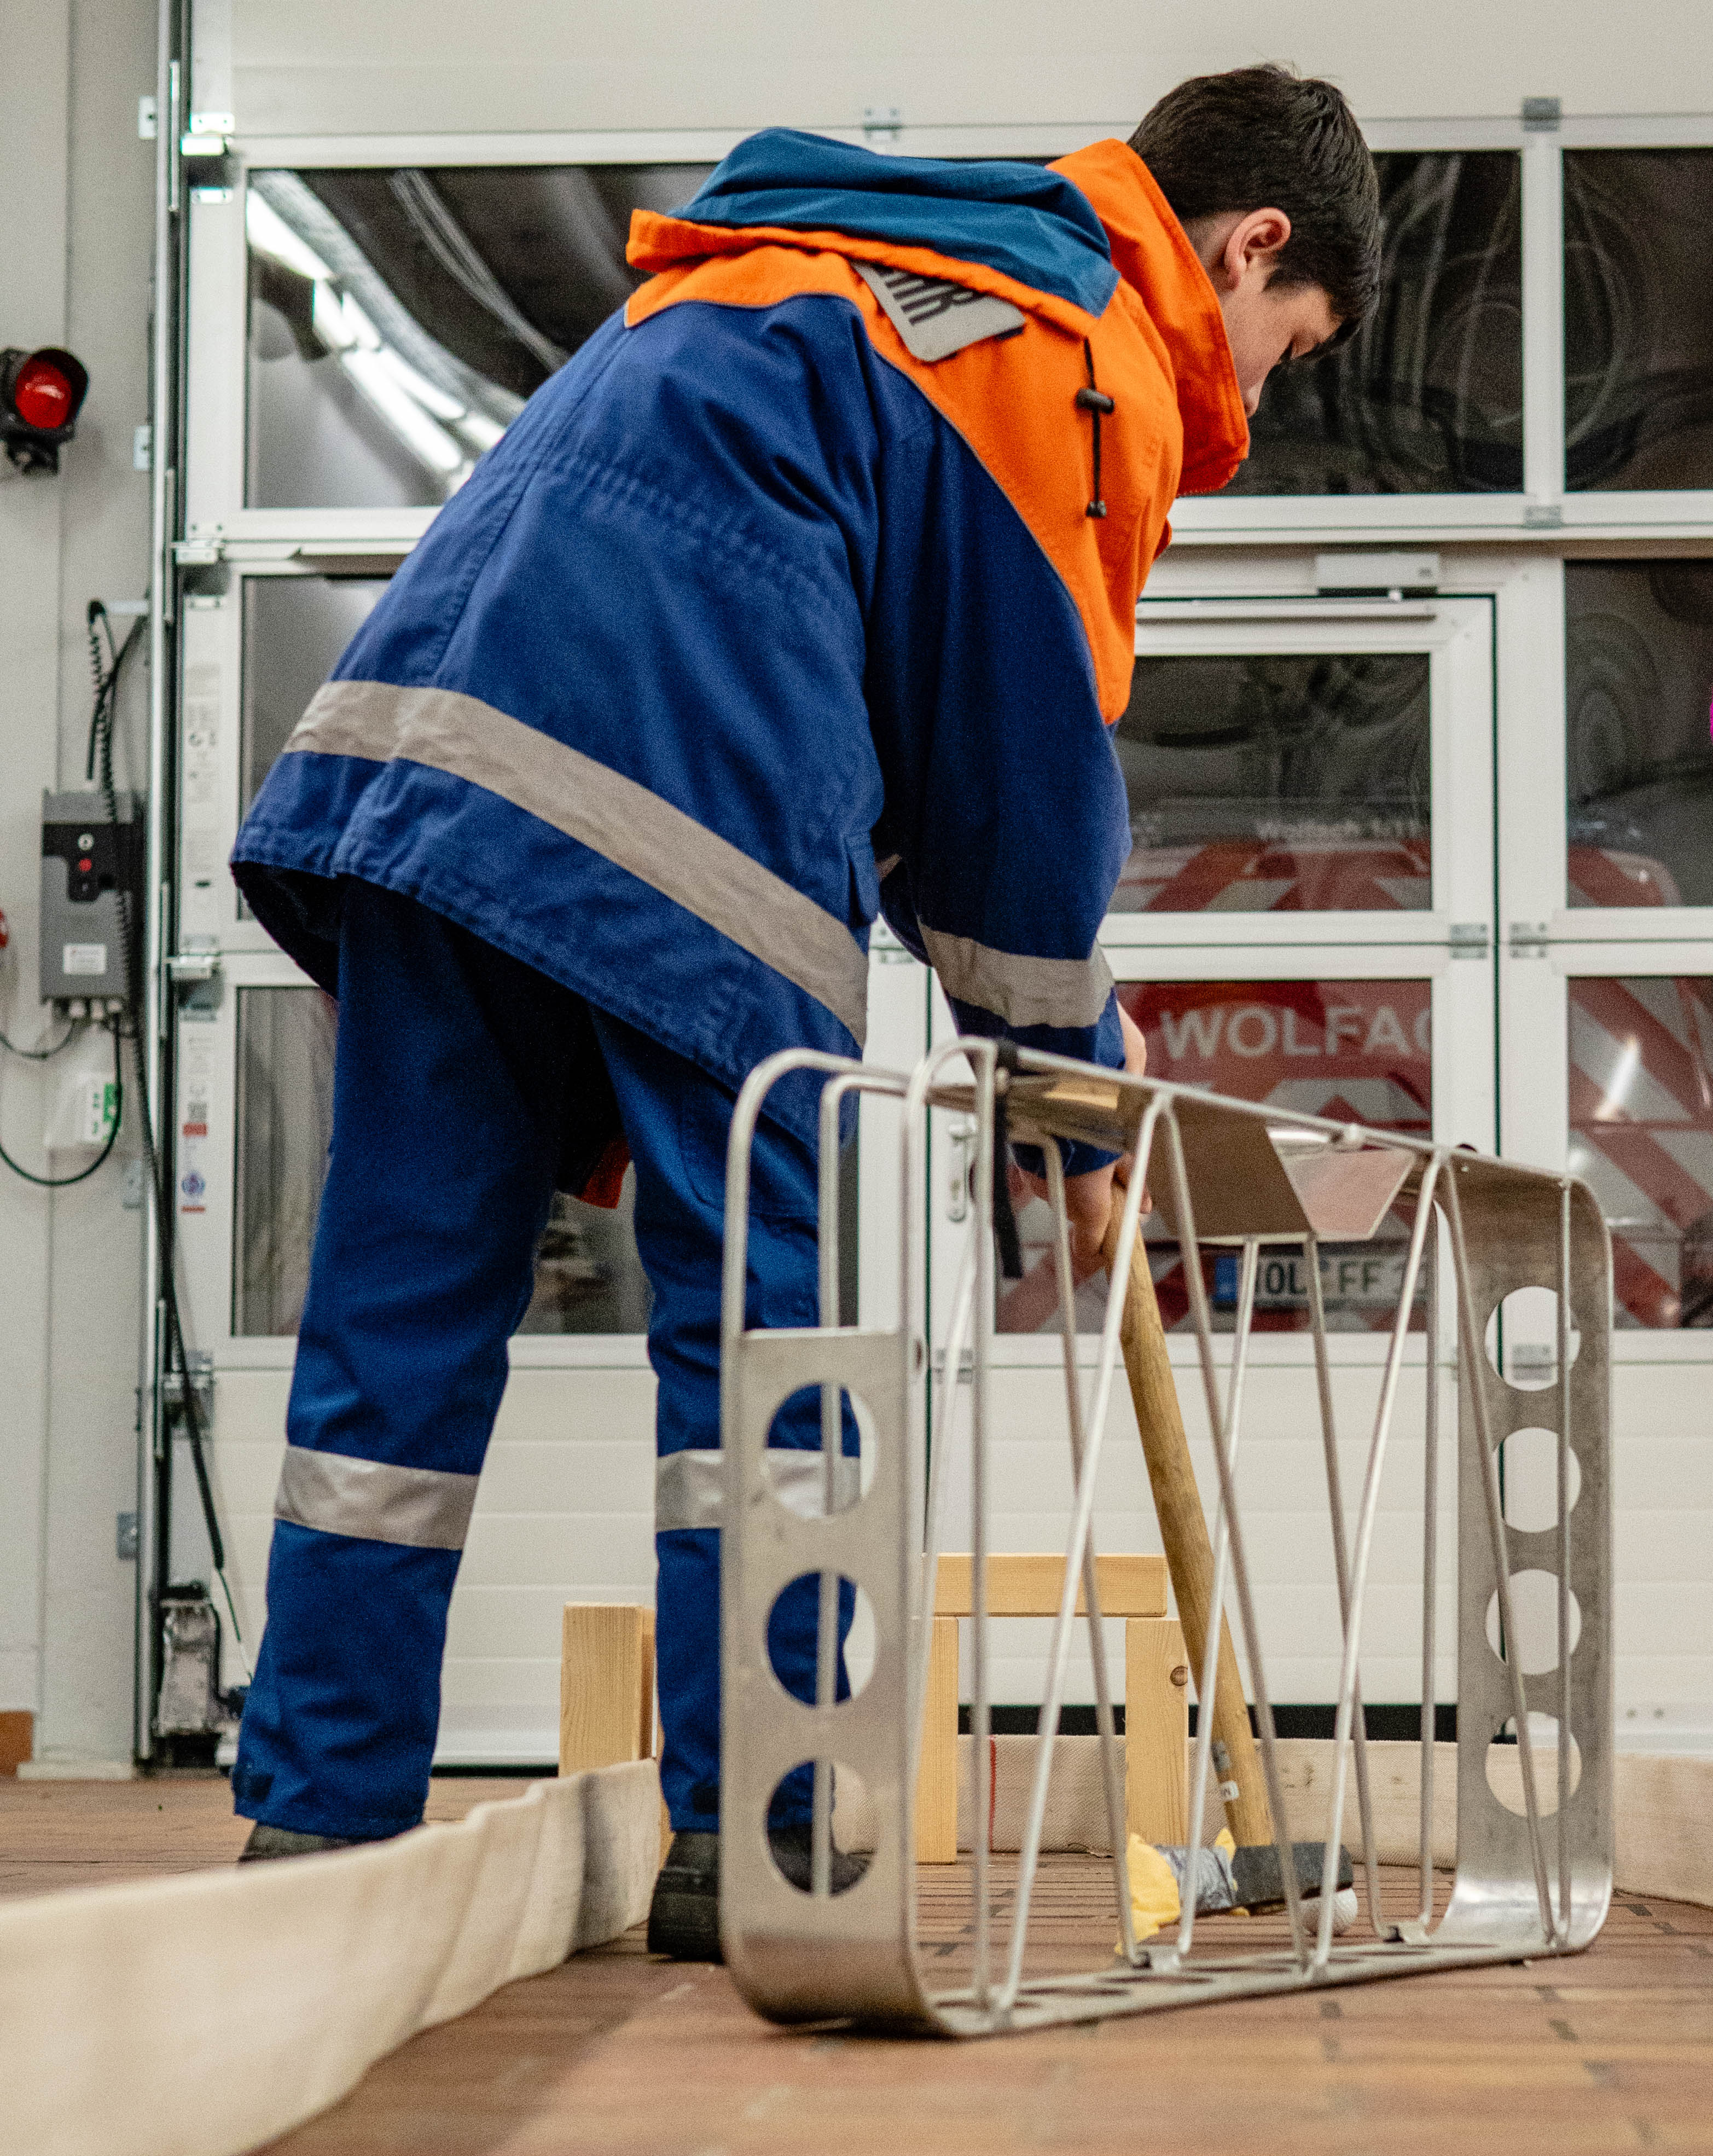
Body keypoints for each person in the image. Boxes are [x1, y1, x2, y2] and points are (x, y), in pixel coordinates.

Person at [227, 68, 1383, 1949]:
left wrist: (1046, 1046)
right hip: (687, 829)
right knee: (764, 1356)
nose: (1262, 389)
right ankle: (754, 1841)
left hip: (429, 788)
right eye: (1292, 343)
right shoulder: (1067, 345)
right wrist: (1075, 1091)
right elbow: (1013, 790)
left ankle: (316, 1825)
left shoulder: (825, 265)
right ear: (1250, 247)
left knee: (397, 1312)